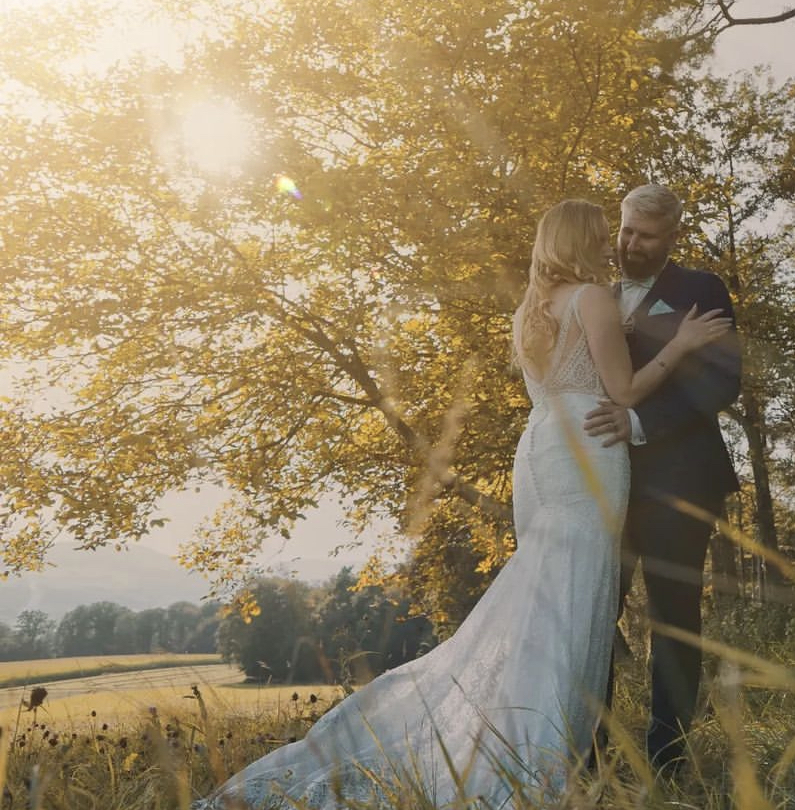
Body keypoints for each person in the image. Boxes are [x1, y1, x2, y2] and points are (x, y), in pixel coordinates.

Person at [194, 199, 730, 809]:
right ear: (582, 241)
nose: (614, 243)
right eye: (607, 234)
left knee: (547, 598)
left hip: (539, 451)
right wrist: (680, 342)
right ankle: (541, 751)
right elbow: (625, 390)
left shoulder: (527, 311)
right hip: (588, 449)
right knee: (575, 599)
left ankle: (547, 744)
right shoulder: (594, 298)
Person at [583, 184, 741, 774]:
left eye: (646, 237)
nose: (631, 244)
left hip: (681, 479)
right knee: (595, 611)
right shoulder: (593, 295)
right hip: (601, 480)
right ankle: (590, 752)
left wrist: (640, 422)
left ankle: (668, 759)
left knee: (674, 618)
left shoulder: (701, 290)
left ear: (672, 236)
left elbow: (723, 384)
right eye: (626, 231)